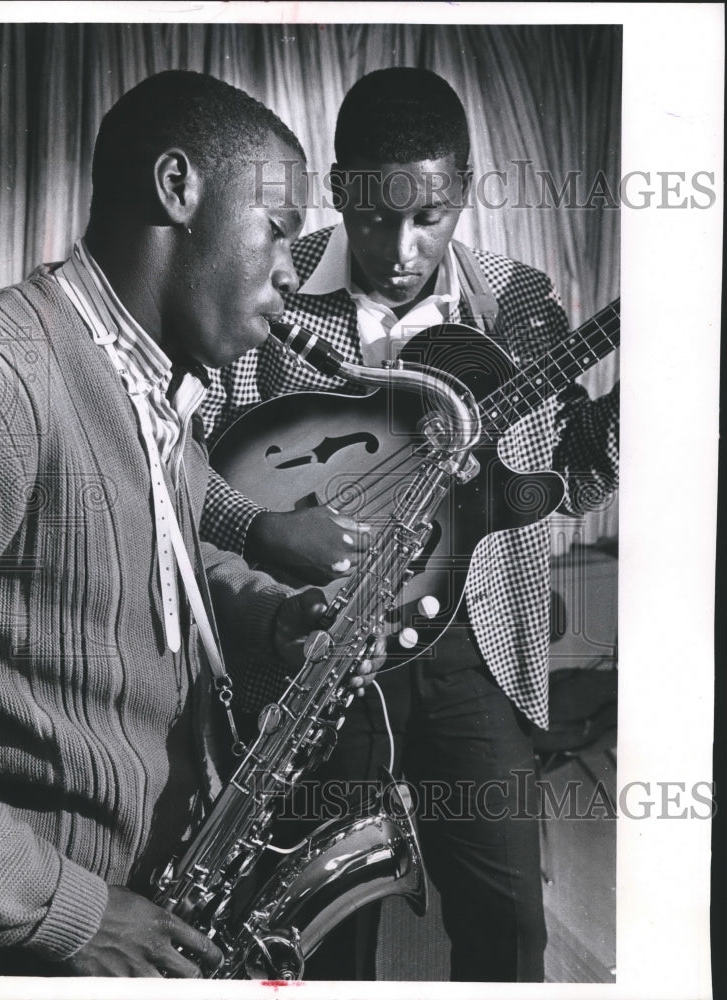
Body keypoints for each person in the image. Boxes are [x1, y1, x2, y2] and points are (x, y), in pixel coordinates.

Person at [199, 67, 620, 982]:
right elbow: (193, 462)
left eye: (429, 216)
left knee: (511, 930)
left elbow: (574, 475)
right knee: (312, 937)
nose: (400, 249)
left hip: (473, 650)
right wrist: (268, 537)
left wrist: (651, 389)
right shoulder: (272, 284)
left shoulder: (521, 302)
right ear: (339, 190)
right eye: (372, 217)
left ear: (464, 188)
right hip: (313, 647)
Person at [0, 70, 378, 979]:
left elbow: (161, 557)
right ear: (177, 188)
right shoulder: (3, 380)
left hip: (154, 892)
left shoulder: (156, 384)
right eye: (277, 229)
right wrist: (68, 909)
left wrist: (273, 621)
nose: (291, 272)